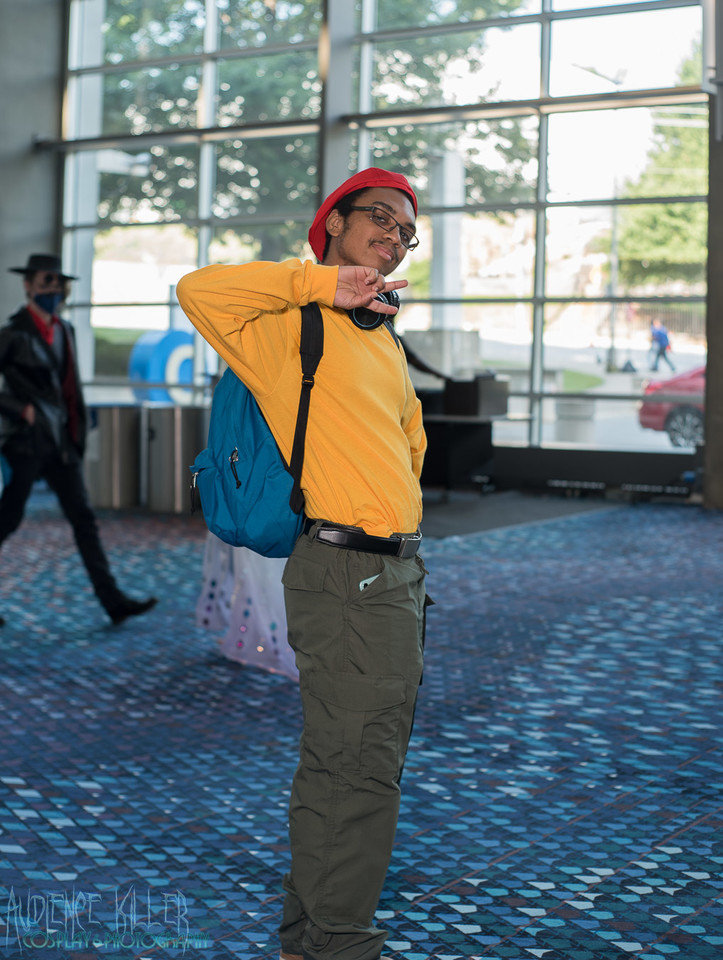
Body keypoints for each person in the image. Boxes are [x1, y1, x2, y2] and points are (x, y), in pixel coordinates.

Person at [177, 167, 429, 960]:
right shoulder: (290, 324)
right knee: (359, 773)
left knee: (345, 765)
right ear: (334, 224)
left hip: (392, 574)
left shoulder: (379, 335)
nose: (393, 236)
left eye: (405, 230)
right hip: (349, 574)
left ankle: (307, 941)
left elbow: (409, 442)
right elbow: (197, 291)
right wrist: (317, 284)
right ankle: (338, 946)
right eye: (378, 217)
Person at [0, 253, 158, 627]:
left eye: (59, 282)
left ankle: (113, 602)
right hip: (26, 442)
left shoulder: (65, 330)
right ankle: (114, 601)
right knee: (8, 519)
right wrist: (21, 410)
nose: (54, 288)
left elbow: (70, 388)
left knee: (84, 520)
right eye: (46, 281)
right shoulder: (12, 334)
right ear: (28, 285)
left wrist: (77, 433)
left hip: (62, 443)